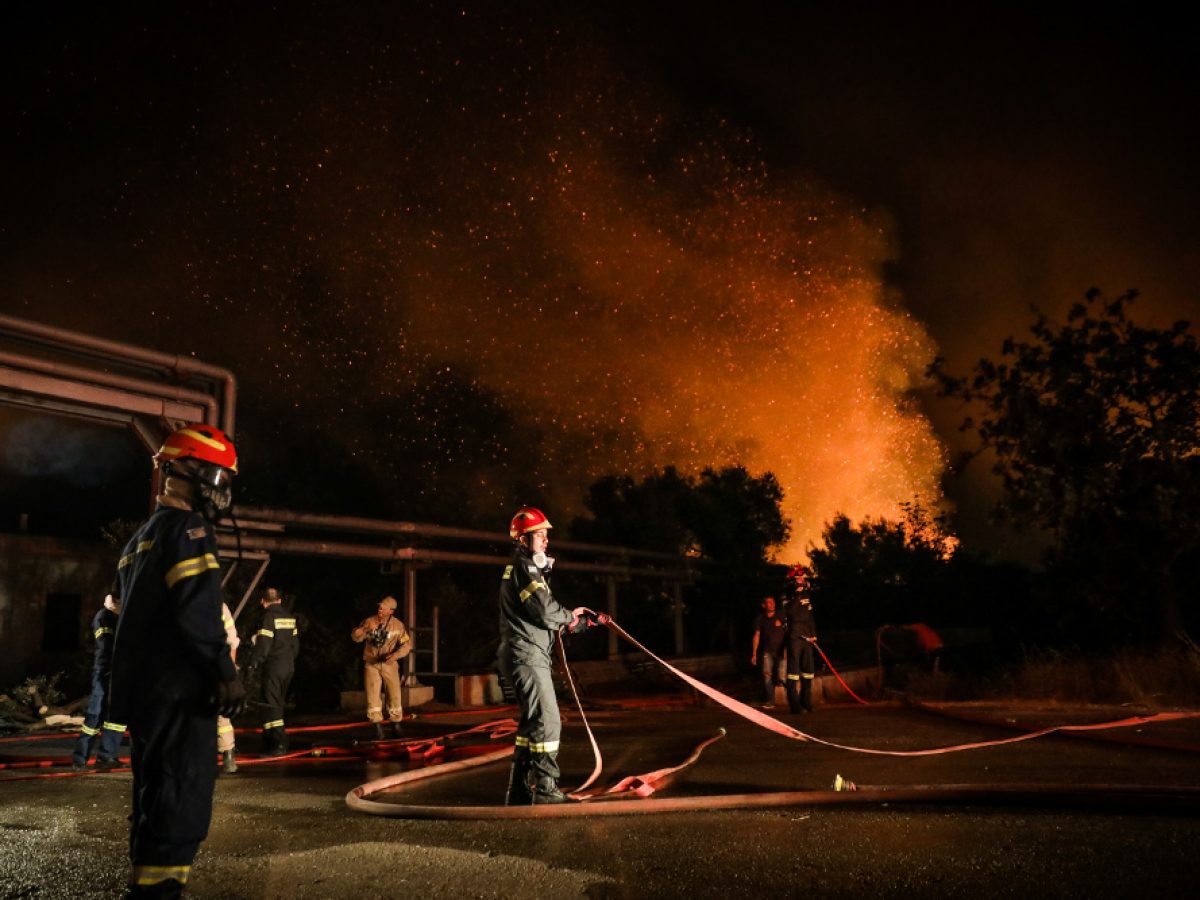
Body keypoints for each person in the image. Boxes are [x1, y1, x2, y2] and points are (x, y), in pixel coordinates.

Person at [108, 423, 245, 898]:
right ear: (190, 471)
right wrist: (224, 671)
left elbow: (123, 619)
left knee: (154, 793)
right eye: (219, 478)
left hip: (147, 695)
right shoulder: (190, 530)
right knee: (181, 792)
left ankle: (146, 886)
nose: (222, 492)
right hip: (181, 692)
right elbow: (197, 608)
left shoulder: (139, 541)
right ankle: (159, 893)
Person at [496, 506, 605, 805]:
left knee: (530, 725)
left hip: (524, 652)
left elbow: (540, 615)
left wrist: (579, 622)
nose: (546, 541)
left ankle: (517, 790)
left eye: (546, 535)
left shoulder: (522, 568)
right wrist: (569, 616)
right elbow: (545, 611)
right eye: (540, 535)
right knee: (548, 721)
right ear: (522, 540)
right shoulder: (526, 568)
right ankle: (545, 790)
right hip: (527, 656)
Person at [72, 590, 125, 771]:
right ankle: (80, 759)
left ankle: (107, 756)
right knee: (95, 714)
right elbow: (105, 646)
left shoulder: (118, 618)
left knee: (116, 717)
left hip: (116, 673)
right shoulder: (104, 617)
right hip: (104, 672)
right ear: (114, 601)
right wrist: (109, 669)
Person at [244, 587, 299, 755]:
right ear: (280, 600)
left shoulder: (268, 617)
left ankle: (279, 744)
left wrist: (253, 664)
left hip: (273, 667)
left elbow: (264, 645)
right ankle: (269, 742)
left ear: (263, 601)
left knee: (271, 704)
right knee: (275, 703)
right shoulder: (290, 618)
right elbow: (295, 646)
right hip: (288, 667)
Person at [351, 595, 412, 740]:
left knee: (394, 694)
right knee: (372, 696)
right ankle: (377, 727)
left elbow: (407, 645)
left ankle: (396, 725)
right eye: (379, 607)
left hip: (389, 664)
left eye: (383, 608)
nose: (380, 610)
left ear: (391, 611)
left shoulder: (398, 625)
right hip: (371, 664)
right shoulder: (369, 621)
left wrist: (396, 655)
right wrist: (366, 629)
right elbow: (355, 637)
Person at [783, 564, 818, 714]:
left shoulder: (807, 594)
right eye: (797, 577)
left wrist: (813, 634)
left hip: (807, 637)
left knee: (808, 672)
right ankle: (795, 706)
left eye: (802, 577)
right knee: (793, 672)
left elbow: (809, 616)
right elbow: (790, 612)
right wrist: (796, 596)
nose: (800, 580)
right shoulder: (787, 595)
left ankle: (806, 702)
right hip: (795, 636)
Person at [750, 596, 787, 709]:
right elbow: (757, 635)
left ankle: (790, 699)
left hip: (782, 650)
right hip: (768, 651)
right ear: (764, 606)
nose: (771, 604)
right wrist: (754, 653)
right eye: (769, 602)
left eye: (773, 602)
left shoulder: (781, 615)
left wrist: (787, 648)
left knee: (783, 678)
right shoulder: (760, 619)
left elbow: (789, 632)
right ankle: (770, 701)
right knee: (767, 676)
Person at [216, 603, 240, 774]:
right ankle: (228, 756)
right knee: (222, 715)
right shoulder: (219, 605)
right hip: (217, 666)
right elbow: (232, 641)